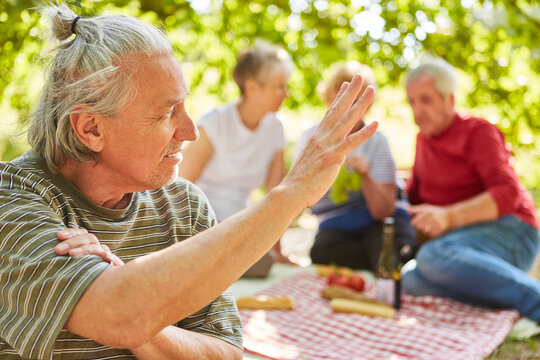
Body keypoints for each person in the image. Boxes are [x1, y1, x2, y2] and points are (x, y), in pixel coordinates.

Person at [0, 4, 378, 359]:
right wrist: (292, 194)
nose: (192, 131)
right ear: (91, 128)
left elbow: (225, 351)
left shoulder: (183, 204)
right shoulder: (12, 199)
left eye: (185, 105)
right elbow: (118, 315)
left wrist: (132, 302)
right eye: (167, 113)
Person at [401, 58, 540, 321]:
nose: (417, 111)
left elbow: (507, 193)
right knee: (409, 281)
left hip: (514, 231)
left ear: (449, 100)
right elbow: (414, 197)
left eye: (426, 100)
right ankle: (501, 299)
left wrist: (447, 217)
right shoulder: (422, 140)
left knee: (432, 255)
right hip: (460, 246)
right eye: (412, 102)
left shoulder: (478, 131)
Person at [178, 44, 294, 276]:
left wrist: (277, 250)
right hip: (201, 224)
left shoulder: (275, 128)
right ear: (252, 87)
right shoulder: (215, 123)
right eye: (279, 87)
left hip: (239, 223)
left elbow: (276, 192)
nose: (286, 93)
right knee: (248, 262)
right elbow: (179, 186)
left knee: (263, 263)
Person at [295, 61, 416, 271]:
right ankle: (382, 261)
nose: (349, 102)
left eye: (358, 97)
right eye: (342, 93)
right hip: (337, 228)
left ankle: (389, 259)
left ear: (367, 104)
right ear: (329, 96)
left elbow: (384, 211)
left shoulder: (376, 141)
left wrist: (366, 175)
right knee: (322, 252)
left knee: (385, 248)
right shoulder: (311, 137)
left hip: (378, 222)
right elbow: (298, 192)